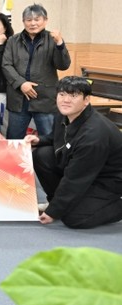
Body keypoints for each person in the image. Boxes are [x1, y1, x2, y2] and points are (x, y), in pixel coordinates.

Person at [26, 76, 122, 229]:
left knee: (73, 218)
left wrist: (53, 212)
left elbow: (76, 179)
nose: (66, 100)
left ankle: (117, 205)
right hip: (84, 170)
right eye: (62, 94)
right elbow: (56, 138)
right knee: (42, 155)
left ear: (86, 100)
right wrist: (39, 140)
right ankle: (57, 201)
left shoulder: (93, 134)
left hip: (107, 181)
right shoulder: (65, 114)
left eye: (73, 95)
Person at [2, 4, 71, 139]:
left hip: (44, 99)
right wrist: (21, 83)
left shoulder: (53, 40)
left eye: (37, 19)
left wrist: (60, 44)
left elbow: (63, 65)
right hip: (18, 98)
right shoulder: (13, 40)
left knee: (49, 139)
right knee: (14, 140)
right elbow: (6, 65)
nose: (33, 23)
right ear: (23, 21)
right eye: (29, 20)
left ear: (45, 20)